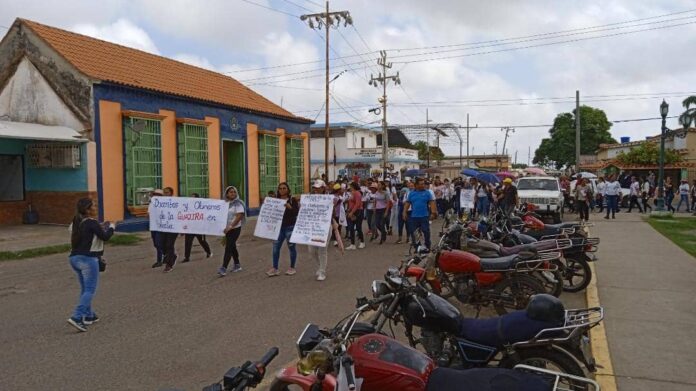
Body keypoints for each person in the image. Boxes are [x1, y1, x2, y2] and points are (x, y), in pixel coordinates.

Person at [66, 198, 115, 332]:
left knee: (85, 288)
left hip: (74, 258)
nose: (96, 207)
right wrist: (111, 227)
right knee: (90, 290)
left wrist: (100, 226)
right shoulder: (92, 222)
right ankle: (76, 317)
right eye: (94, 206)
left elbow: (88, 233)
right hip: (88, 259)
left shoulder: (76, 222)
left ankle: (88, 315)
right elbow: (105, 237)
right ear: (88, 209)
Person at [267, 182, 299, 277]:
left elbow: (296, 212)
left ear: (288, 189)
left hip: (290, 227)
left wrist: (289, 207)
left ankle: (292, 267)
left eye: (284, 188)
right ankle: (275, 268)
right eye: (280, 188)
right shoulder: (276, 200)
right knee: (275, 248)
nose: (282, 190)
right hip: (279, 228)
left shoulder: (292, 200)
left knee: (291, 247)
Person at [218, 186, 245, 276]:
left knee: (228, 247)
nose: (232, 193)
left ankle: (223, 268)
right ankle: (237, 265)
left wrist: (230, 226)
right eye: (230, 192)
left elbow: (239, 216)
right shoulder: (224, 204)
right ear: (227, 194)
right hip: (226, 229)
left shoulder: (238, 204)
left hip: (235, 229)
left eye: (234, 192)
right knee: (232, 246)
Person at [403, 177, 437, 249]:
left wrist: (433, 213)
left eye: (423, 184)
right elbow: (407, 203)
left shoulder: (427, 193)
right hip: (414, 217)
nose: (423, 185)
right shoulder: (411, 193)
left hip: (424, 216)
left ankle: (427, 246)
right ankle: (417, 247)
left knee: (426, 231)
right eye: (421, 184)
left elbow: (432, 202)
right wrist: (404, 212)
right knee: (415, 233)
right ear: (416, 185)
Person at [307, 180, 331, 281]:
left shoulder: (329, 198)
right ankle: (320, 266)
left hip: (325, 226)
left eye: (318, 188)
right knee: (311, 250)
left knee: (322, 250)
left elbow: (332, 212)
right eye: (315, 188)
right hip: (313, 226)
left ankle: (322, 271)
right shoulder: (309, 198)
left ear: (323, 188)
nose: (316, 189)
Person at [182, 192, 213, 263]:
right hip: (190, 228)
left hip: (199, 228)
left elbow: (205, 216)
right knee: (188, 242)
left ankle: (208, 252)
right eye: (191, 198)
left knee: (202, 241)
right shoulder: (187, 207)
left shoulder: (201, 207)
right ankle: (187, 257)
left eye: (193, 198)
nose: (192, 199)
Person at [162, 187, 180, 273]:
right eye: (164, 193)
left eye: (167, 192)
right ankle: (173, 255)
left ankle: (169, 264)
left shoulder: (175, 202)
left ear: (171, 193)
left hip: (174, 227)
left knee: (169, 244)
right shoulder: (160, 202)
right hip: (163, 227)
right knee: (162, 244)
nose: (165, 194)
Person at [346, 182, 365, 250]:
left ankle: (362, 242)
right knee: (351, 227)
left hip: (358, 211)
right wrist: (349, 210)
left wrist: (352, 212)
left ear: (353, 186)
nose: (350, 188)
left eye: (350, 186)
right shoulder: (352, 193)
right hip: (352, 211)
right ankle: (352, 244)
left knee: (358, 227)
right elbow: (351, 203)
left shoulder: (357, 193)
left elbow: (357, 204)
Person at [149, 189, 165, 268]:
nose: (154, 196)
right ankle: (166, 255)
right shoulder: (152, 203)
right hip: (153, 226)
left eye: (156, 194)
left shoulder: (164, 204)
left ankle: (159, 260)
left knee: (158, 243)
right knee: (156, 243)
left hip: (160, 226)